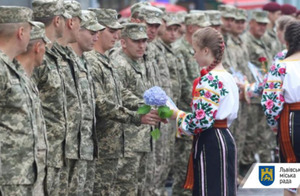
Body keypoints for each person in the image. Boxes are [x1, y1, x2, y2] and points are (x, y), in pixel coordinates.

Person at [170, 27, 238, 196]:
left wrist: (176, 114)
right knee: (224, 188)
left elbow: (201, 121)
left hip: (211, 140)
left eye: (195, 51)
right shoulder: (228, 76)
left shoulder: (209, 80)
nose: (194, 56)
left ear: (206, 50)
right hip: (226, 136)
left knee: (210, 189)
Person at [0, 6, 44, 196]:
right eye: (30, 30)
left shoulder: (13, 68)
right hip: (8, 177)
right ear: (21, 32)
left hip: (24, 175)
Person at [31, 0, 71, 194]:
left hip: (59, 149)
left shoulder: (56, 53)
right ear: (57, 20)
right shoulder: (37, 53)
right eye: (65, 19)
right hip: (44, 152)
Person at [172, 12, 210, 196]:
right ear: (191, 28)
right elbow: (183, 85)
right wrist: (207, 100)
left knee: (195, 168)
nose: (206, 30)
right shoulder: (179, 50)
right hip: (186, 115)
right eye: (202, 26)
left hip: (198, 114)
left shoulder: (200, 49)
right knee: (184, 171)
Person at [261, 20, 300, 196]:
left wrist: (274, 125)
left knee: (291, 177)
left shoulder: (281, 65)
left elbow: (270, 103)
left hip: (291, 120)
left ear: (286, 41)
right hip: (291, 118)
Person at [15, 21, 50, 196]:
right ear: (37, 47)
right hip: (16, 175)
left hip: (33, 170)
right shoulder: (12, 78)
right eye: (45, 46)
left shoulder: (26, 79)